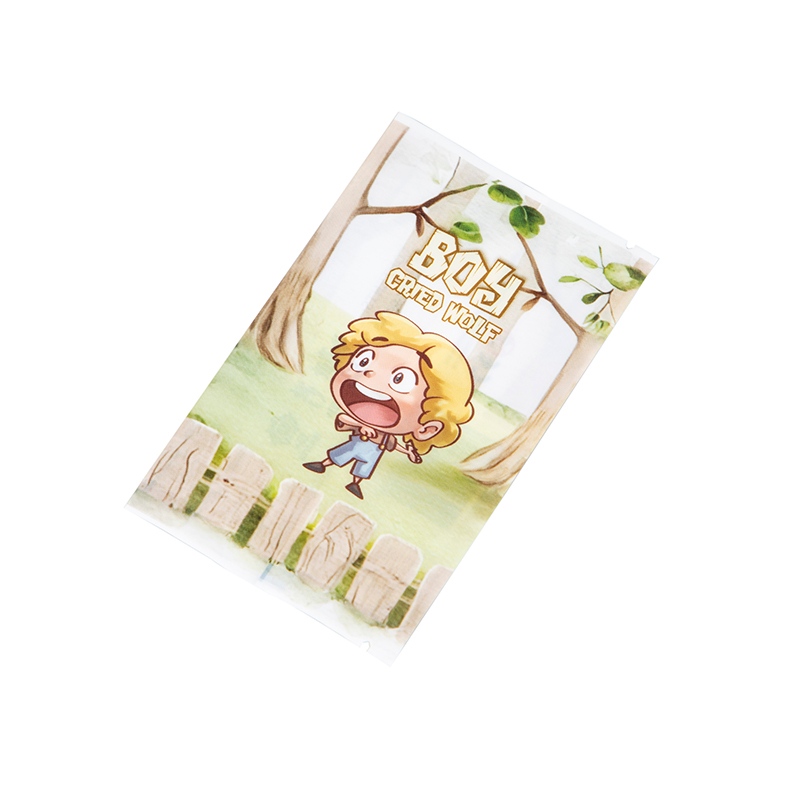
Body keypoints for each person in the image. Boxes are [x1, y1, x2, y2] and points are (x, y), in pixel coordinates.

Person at [303, 311, 474, 499]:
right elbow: (343, 419)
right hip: (356, 444)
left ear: (427, 429)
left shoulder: (386, 438)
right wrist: (362, 427)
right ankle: (323, 464)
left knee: (364, 468)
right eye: (363, 361)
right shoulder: (358, 415)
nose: (370, 373)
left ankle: (355, 483)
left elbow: (394, 445)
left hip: (373, 453)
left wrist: (408, 452)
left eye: (400, 379)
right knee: (341, 454)